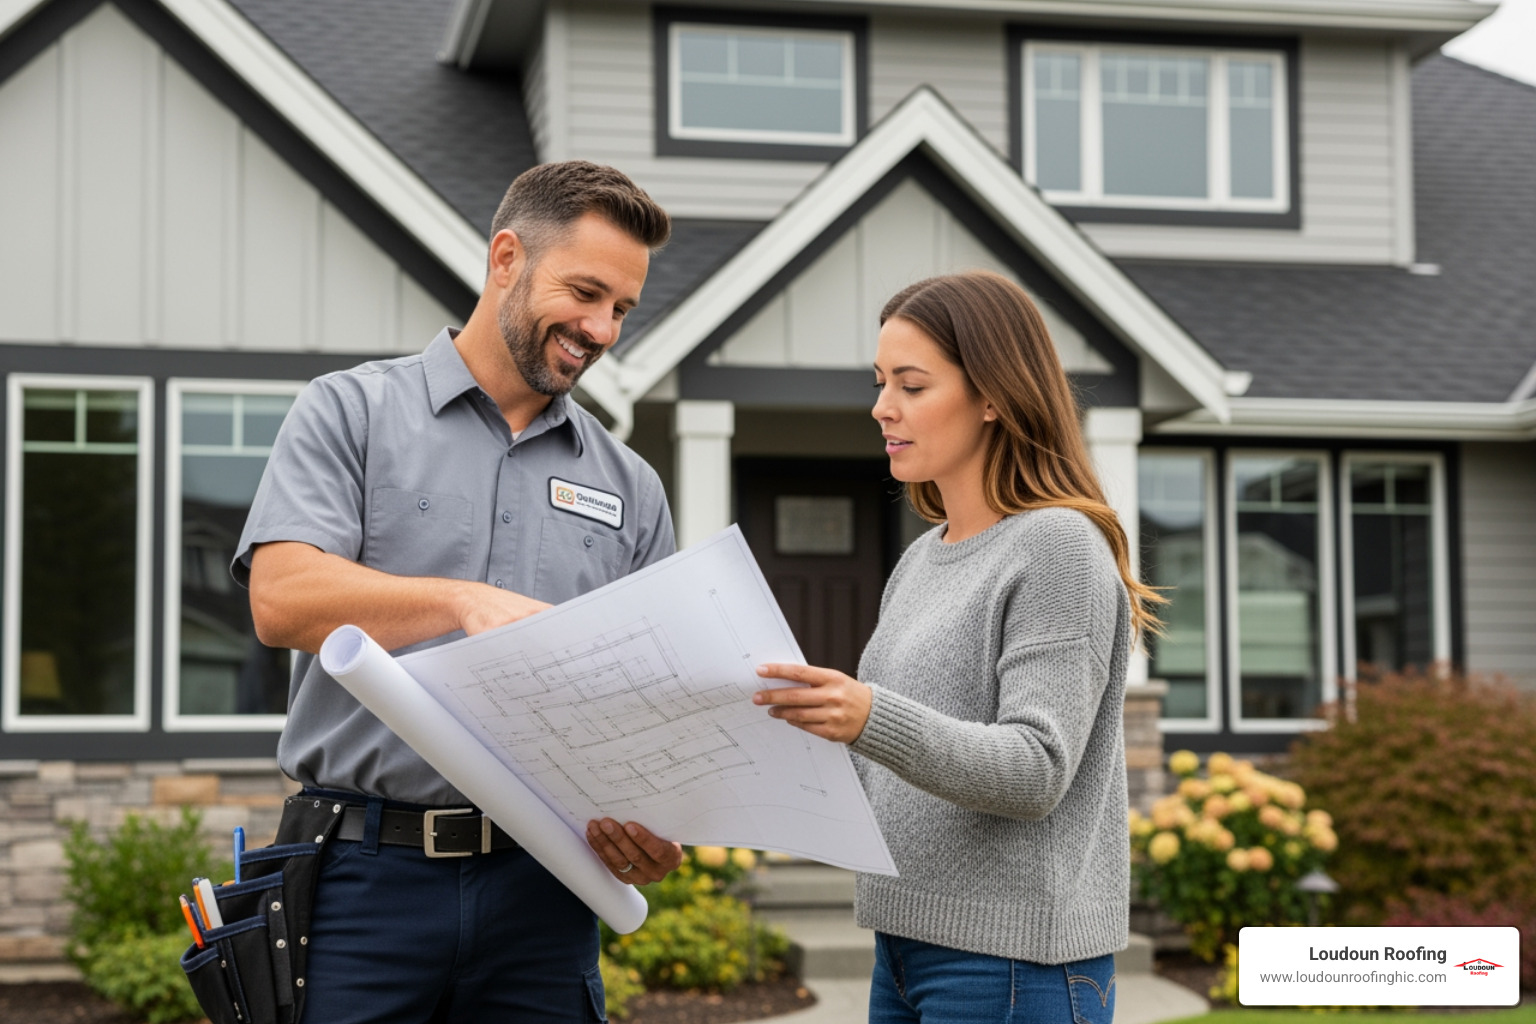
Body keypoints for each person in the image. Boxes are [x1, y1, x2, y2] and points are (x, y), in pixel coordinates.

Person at [235, 161, 683, 1023]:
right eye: (586, 292)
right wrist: (459, 603)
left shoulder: (632, 486)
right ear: (506, 257)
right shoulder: (350, 413)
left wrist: (654, 819)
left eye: (622, 308)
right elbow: (281, 598)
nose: (602, 330)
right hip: (362, 884)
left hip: (545, 892)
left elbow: (648, 697)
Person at [754, 271, 1162, 1023]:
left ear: (993, 396)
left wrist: (867, 714)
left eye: (911, 384)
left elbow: (1036, 768)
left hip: (1014, 965)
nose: (882, 407)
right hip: (903, 944)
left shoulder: (1058, 547)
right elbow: (891, 762)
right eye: (880, 383)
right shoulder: (922, 558)